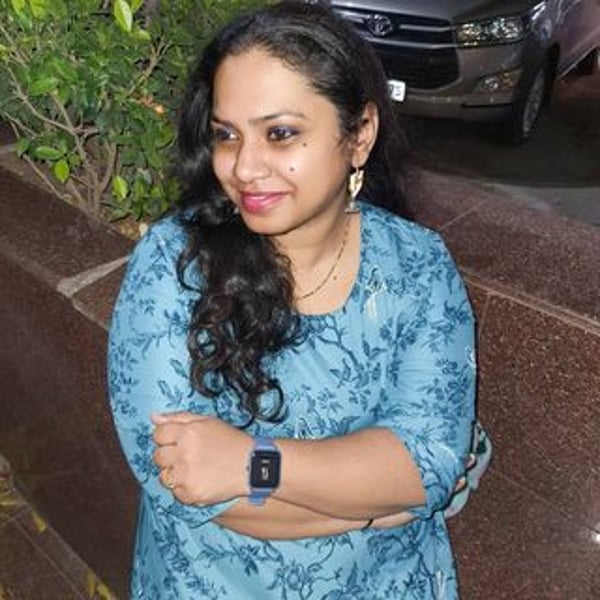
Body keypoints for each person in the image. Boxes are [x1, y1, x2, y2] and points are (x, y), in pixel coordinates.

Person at [107, 2, 490, 598]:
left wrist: (252, 462)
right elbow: (181, 484)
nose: (244, 167)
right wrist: (378, 511)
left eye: (280, 133)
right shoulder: (174, 263)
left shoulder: (415, 266)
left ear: (359, 135)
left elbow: (427, 463)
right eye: (226, 135)